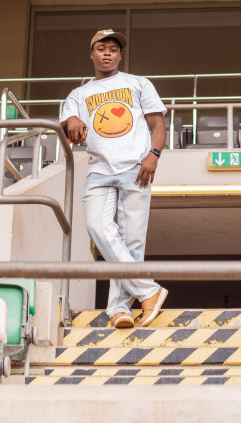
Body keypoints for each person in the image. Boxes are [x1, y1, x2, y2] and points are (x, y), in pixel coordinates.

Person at [60, 28, 168, 329]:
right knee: (98, 228)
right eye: (101, 48)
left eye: (113, 49)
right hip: (99, 170)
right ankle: (149, 291)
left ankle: (120, 309)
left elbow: (158, 124)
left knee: (132, 240)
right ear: (91, 54)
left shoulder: (138, 83)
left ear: (119, 55)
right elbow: (67, 123)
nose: (107, 53)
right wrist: (72, 120)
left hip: (137, 166)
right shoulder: (78, 94)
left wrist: (154, 154)